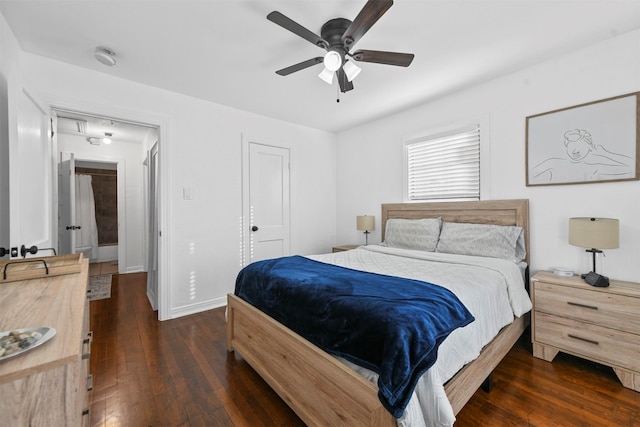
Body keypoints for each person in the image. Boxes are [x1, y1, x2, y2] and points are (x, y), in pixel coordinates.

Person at [529, 129, 633, 184]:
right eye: (571, 146)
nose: (575, 150)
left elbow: (631, 168)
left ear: (590, 147)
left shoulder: (595, 167)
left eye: (580, 146)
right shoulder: (553, 162)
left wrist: (606, 153)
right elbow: (530, 174)